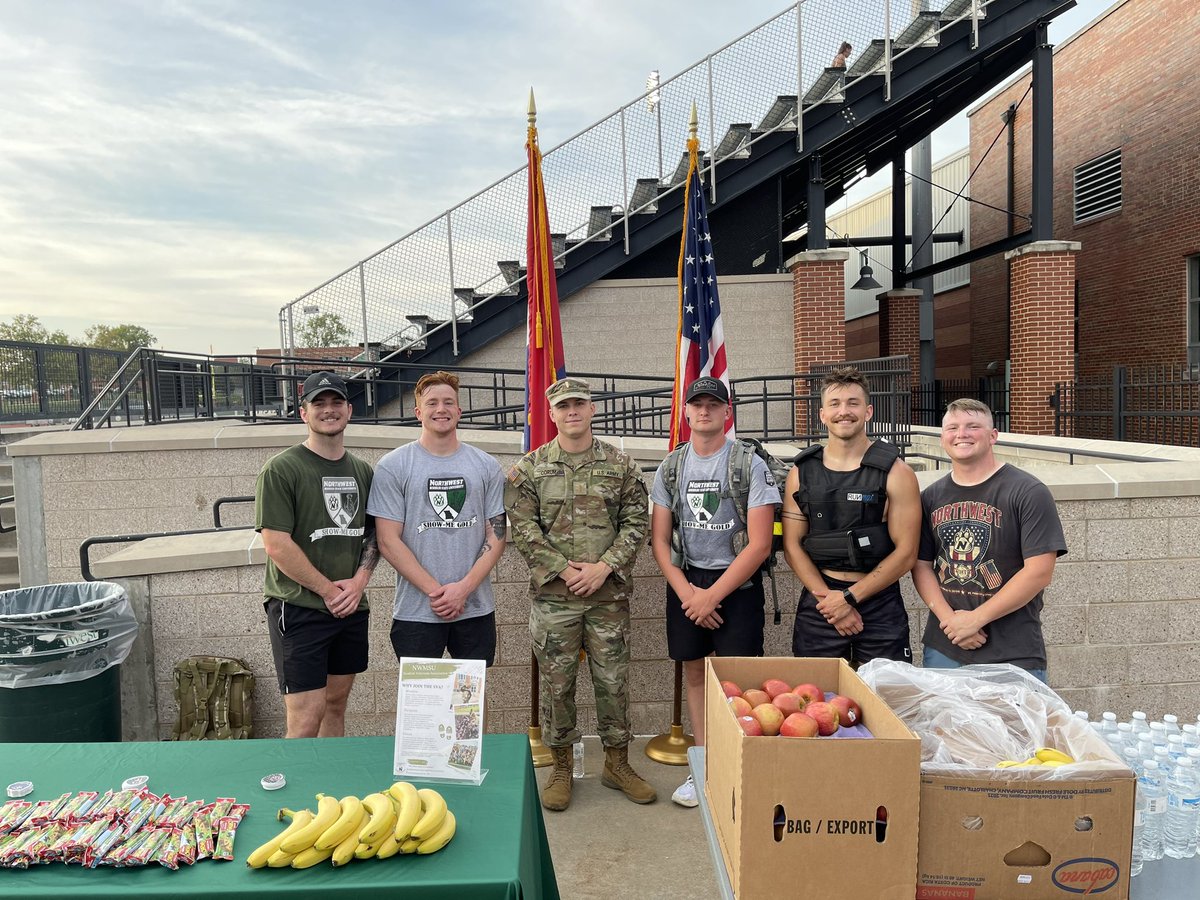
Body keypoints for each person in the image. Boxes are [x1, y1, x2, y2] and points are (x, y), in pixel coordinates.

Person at [505, 377, 656, 811]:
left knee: (613, 683)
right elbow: (524, 529)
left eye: (580, 404)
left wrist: (604, 567)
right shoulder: (529, 469)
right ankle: (561, 768)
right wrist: (564, 570)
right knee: (558, 685)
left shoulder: (621, 465)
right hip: (556, 598)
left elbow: (635, 522)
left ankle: (616, 764)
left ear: (592, 410)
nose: (572, 411)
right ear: (550, 414)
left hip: (607, 597)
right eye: (563, 405)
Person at [650, 376, 779, 808]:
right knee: (694, 675)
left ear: (727, 412)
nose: (704, 411)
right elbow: (660, 541)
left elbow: (761, 543)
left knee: (737, 684)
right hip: (687, 583)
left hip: (737, 586)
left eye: (713, 404)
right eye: (696, 404)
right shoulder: (672, 466)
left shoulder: (748, 464)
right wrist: (691, 594)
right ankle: (704, 769)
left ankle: (738, 772)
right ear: (685, 412)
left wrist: (712, 597)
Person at [255, 371, 378, 738]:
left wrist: (358, 584)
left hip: (350, 608)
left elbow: (373, 535)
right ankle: (297, 794)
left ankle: (330, 790)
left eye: (336, 402)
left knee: (335, 707)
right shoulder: (282, 469)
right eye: (318, 404)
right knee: (306, 716)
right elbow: (276, 544)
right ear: (303, 413)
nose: (329, 410)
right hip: (300, 608)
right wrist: (328, 591)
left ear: (349, 410)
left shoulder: (362, 471)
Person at [913, 398, 1067, 682]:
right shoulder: (931, 496)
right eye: (953, 427)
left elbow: (1039, 572)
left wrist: (975, 620)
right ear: (943, 436)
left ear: (993, 435)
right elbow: (921, 566)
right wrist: (951, 622)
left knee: (1012, 728)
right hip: (944, 647)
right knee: (944, 727)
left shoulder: (1028, 491)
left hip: (1012, 652)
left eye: (973, 426)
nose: (962, 434)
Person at [781, 366, 921, 665]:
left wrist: (849, 598)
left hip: (879, 601)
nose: (844, 411)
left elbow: (907, 553)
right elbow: (792, 547)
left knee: (886, 701)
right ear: (822, 414)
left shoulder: (897, 473)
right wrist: (831, 602)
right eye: (835, 404)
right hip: (821, 602)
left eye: (853, 403)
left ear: (868, 411)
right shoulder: (801, 472)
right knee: (816, 702)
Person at [368, 370, 506, 669]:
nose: (440, 409)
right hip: (416, 610)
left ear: (459, 410)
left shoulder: (486, 466)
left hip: (475, 608)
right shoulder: (393, 466)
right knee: (420, 707)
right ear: (418, 412)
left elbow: (496, 534)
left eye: (448, 402)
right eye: (432, 403)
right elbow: (387, 541)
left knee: (471, 705)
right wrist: (438, 592)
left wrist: (463, 589)